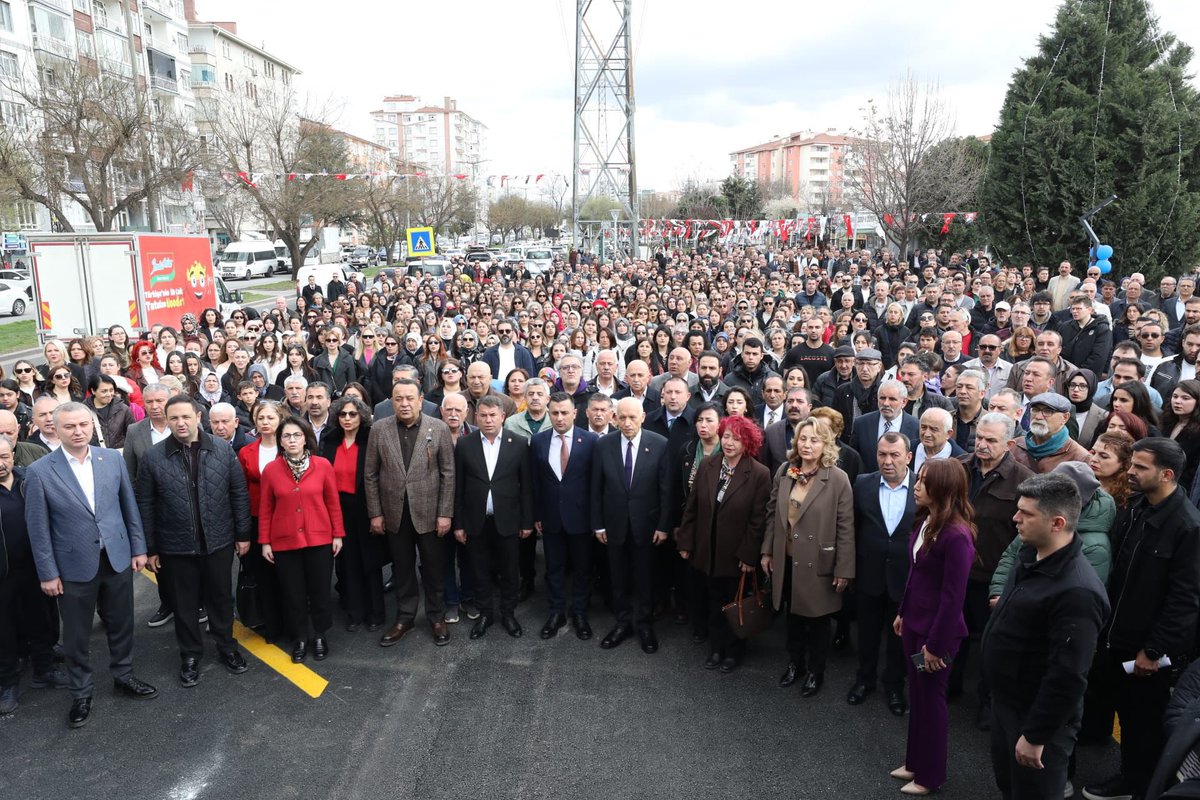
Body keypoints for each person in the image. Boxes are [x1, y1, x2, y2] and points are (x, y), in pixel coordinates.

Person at [24, 402, 158, 728]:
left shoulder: (111, 459)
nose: (78, 431)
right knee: (77, 635)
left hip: (115, 558)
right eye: (69, 426)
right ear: (56, 428)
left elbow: (129, 507)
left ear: (92, 425)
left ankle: (124, 675)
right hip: (71, 568)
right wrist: (48, 573)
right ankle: (81, 691)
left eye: (83, 424)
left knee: (122, 622)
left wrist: (138, 548)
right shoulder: (40, 471)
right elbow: (38, 530)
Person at [1084, 438, 1200, 800]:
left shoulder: (1187, 527)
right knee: (1112, 700)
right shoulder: (1137, 507)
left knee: (1140, 723)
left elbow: (1185, 600)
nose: (1130, 472)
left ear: (1166, 475)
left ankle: (1135, 784)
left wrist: (1154, 649)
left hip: (1145, 649)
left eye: (1139, 467)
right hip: (1115, 634)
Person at [984, 473, 1110, 800]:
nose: (1015, 518)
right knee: (1009, 787)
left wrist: (1036, 735)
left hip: (1035, 721)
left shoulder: (1078, 592)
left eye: (1026, 514)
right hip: (1007, 705)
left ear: (1056, 523)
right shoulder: (1031, 554)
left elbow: (1068, 675)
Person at [135, 396, 251, 687]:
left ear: (198, 416)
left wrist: (243, 534)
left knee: (221, 599)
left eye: (186, 417)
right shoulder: (153, 457)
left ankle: (227, 647)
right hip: (176, 546)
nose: (180, 423)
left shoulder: (222, 450)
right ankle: (189, 655)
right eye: (173, 418)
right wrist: (150, 548)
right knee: (184, 604)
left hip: (219, 541)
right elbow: (145, 504)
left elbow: (238, 494)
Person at [892, 458, 976, 796]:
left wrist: (936, 646)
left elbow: (953, 598)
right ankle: (915, 763)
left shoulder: (957, 536)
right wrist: (902, 612)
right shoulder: (926, 522)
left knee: (932, 702)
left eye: (924, 481)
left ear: (941, 489)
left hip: (936, 635)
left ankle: (930, 775)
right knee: (918, 697)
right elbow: (915, 575)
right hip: (913, 623)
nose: (916, 485)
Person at [762, 416, 855, 699]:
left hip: (819, 562)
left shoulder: (837, 478)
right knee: (792, 617)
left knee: (817, 622)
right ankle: (795, 663)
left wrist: (844, 569)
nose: (807, 444)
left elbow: (845, 527)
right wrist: (767, 550)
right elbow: (772, 516)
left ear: (826, 443)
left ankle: (816, 671)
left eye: (814, 439)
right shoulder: (785, 470)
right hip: (788, 557)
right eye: (803, 438)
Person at [364, 378, 455, 648]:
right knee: (402, 568)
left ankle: (436, 617)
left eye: (409, 398)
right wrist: (375, 513)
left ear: (420, 399)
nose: (404, 404)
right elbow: (370, 474)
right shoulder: (379, 429)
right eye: (398, 399)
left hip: (429, 513)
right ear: (391, 401)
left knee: (433, 568)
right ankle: (405, 617)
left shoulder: (437, 428)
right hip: (394, 514)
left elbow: (448, 474)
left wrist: (445, 513)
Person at [677, 415, 771, 673]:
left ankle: (734, 651)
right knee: (712, 602)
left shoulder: (759, 474)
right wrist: (686, 541)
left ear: (747, 443)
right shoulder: (709, 464)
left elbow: (758, 520)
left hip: (736, 555)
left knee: (734, 603)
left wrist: (749, 556)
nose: (729, 443)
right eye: (726, 436)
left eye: (737, 438)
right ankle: (716, 647)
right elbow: (692, 507)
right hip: (707, 551)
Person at [258, 416, 345, 663]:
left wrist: (337, 534)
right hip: (284, 542)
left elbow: (332, 503)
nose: (292, 440)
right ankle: (300, 637)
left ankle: (319, 634)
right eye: (286, 436)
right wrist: (265, 541)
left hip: (319, 539)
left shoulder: (322, 465)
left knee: (319, 590)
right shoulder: (271, 470)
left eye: (297, 435)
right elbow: (265, 508)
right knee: (293, 593)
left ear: (305, 438)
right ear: (280, 441)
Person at [591, 397, 673, 653]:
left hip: (646, 526)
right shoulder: (604, 445)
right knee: (618, 577)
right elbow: (596, 488)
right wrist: (598, 525)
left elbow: (666, 490)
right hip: (613, 525)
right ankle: (623, 622)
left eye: (632, 418)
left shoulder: (659, 444)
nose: (627, 423)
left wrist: (663, 525)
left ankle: (644, 624)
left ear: (643, 418)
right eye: (622, 418)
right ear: (614, 418)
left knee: (644, 578)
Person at [454, 395, 533, 639]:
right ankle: (485, 613)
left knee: (510, 571)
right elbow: (459, 486)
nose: (488, 420)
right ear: (476, 416)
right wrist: (459, 523)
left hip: (508, 520)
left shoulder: (518, 443)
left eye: (493, 415)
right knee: (480, 570)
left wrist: (527, 521)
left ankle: (508, 613)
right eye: (483, 415)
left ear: (503, 417)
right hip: (476, 521)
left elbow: (526, 486)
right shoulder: (465, 444)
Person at [848, 432, 915, 716]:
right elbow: (852, 528)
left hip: (906, 579)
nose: (887, 462)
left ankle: (894, 686)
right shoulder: (862, 484)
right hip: (869, 574)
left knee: (899, 640)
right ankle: (864, 680)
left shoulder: (923, 488)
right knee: (867, 633)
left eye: (894, 455)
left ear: (908, 457)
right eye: (882, 455)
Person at [0, 437, 66, 715]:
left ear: (13, 454)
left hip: (36, 567)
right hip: (2, 574)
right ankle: (7, 683)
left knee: (42, 620)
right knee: (3, 631)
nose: (0, 464)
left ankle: (44, 669)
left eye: (4, 456)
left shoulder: (30, 480)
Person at [530, 392, 598, 640]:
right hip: (550, 518)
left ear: (575, 414)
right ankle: (556, 612)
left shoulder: (590, 441)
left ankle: (579, 612)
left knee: (582, 569)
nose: (559, 418)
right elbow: (534, 482)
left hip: (581, 518)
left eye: (564, 413)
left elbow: (595, 483)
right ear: (549, 413)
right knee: (554, 568)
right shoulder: (538, 441)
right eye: (555, 413)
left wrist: (595, 519)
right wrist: (536, 514)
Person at [320, 395, 387, 632]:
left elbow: (379, 476)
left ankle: (376, 613)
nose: (347, 419)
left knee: (370, 561)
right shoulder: (329, 440)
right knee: (347, 563)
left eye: (352, 414)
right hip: (337, 509)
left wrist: (377, 513)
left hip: (366, 507)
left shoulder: (371, 439)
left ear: (361, 416)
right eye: (342, 414)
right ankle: (355, 612)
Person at [1011, 392, 1091, 473]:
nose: (1038, 417)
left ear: (1065, 417)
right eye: (1035, 410)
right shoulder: (1014, 446)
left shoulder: (1079, 458)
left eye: (1048, 411)